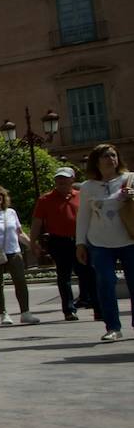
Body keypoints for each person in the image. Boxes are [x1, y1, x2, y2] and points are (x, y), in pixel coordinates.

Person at [75, 143, 134, 342]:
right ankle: (113, 327)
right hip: (99, 242)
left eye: (114, 155)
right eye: (106, 156)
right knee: (106, 283)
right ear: (97, 161)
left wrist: (131, 196)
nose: (111, 159)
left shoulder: (130, 179)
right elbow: (83, 216)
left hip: (129, 239)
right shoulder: (87, 187)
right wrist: (80, 243)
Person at [33, 166, 98, 322]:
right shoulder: (45, 199)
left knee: (88, 274)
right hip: (58, 241)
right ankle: (69, 310)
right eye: (58, 178)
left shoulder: (82, 196)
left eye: (64, 178)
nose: (61, 181)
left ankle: (97, 307)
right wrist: (33, 242)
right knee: (64, 276)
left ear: (72, 180)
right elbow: (37, 222)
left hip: (81, 240)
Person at [0, 185, 39, 326]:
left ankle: (25, 313)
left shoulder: (11, 212)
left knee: (20, 282)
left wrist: (32, 245)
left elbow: (19, 232)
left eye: (0, 194)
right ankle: (3, 314)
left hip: (13, 251)